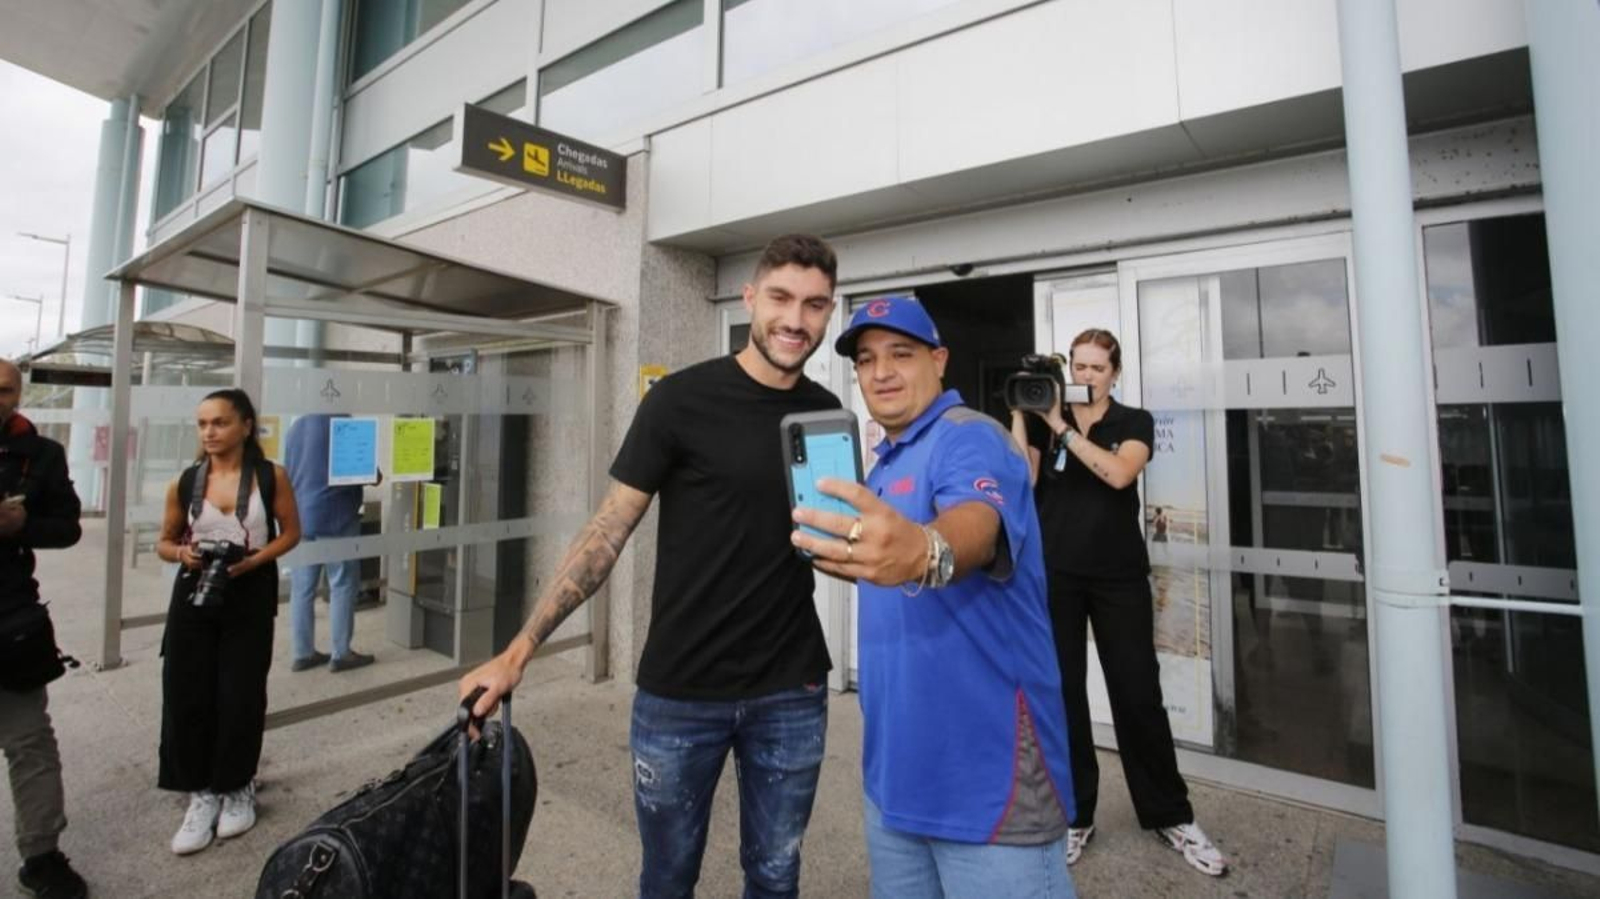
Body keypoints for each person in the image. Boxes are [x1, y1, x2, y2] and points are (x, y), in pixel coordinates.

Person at [460, 234, 842, 898]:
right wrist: (519, 649)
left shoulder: (824, 415)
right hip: (681, 690)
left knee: (777, 873)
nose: (795, 319)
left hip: (792, 688)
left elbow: (837, 544)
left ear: (829, 312)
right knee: (667, 877)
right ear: (751, 297)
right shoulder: (679, 400)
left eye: (815, 305)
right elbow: (607, 531)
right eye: (780, 297)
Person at [790, 296, 1076, 899]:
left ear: (939, 360)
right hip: (894, 784)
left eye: (901, 354)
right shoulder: (888, 460)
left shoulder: (969, 436)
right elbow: (890, 565)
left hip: (988, 786)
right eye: (866, 360)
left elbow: (976, 521)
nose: (882, 372)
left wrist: (926, 551)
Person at [1009, 328, 1227, 877]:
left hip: (1119, 578)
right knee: (1063, 699)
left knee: (1137, 695)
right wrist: (1021, 413)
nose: (1084, 377)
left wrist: (1063, 426)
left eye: (1095, 369)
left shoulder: (1133, 421)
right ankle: (1076, 815)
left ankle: (1170, 815)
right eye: (1077, 367)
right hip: (1056, 575)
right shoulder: (1042, 420)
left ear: (1115, 373)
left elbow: (1119, 473)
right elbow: (1020, 478)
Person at [155, 389, 301, 856]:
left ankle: (237, 784)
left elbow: (292, 533)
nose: (209, 433)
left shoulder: (269, 476)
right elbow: (164, 541)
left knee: (240, 692)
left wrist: (256, 561)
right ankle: (200, 792)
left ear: (245, 425)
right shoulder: (186, 481)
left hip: (249, 590)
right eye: (202, 424)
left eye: (219, 422)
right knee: (187, 690)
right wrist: (184, 554)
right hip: (193, 593)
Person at [0, 359, 89, 899]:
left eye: (6, 389)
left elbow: (70, 528)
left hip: (11, 619)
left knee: (29, 741)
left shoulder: (42, 455)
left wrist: (22, 526)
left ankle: (42, 854)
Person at [283, 413, 374, 673]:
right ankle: (341, 653)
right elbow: (368, 473)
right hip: (337, 516)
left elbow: (288, 471)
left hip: (301, 516)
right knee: (343, 583)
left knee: (302, 588)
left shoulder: (296, 426)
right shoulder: (346, 424)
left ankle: (302, 652)